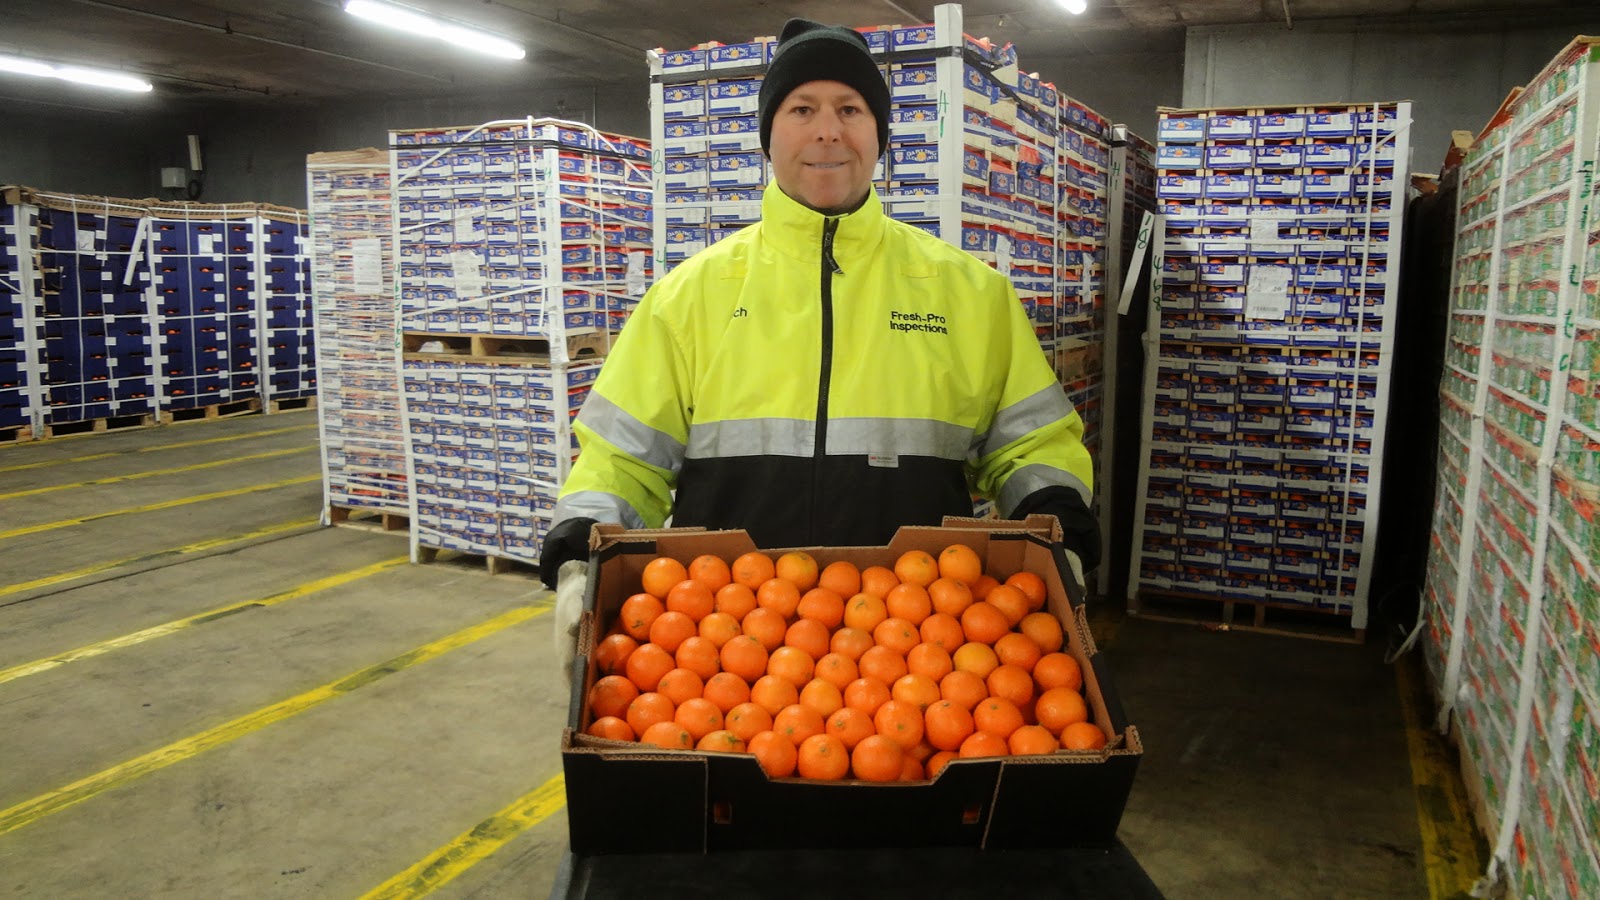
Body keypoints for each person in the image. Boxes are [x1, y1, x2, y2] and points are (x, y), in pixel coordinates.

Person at [541, 18, 1099, 672]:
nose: (828, 131)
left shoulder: (971, 296)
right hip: (719, 650)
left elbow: (1032, 445)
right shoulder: (688, 298)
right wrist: (581, 554)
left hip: (915, 653)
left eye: (851, 109)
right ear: (769, 136)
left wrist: (1058, 532)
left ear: (879, 135)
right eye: (802, 108)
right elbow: (624, 458)